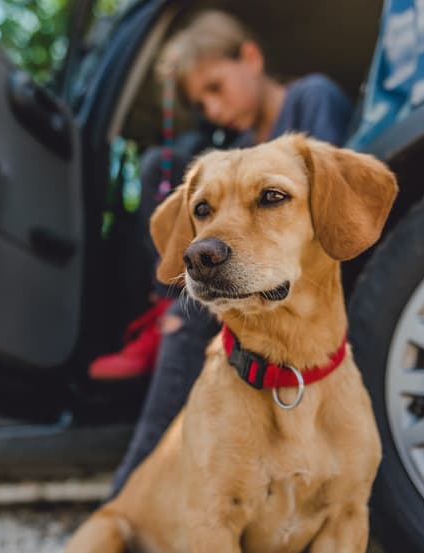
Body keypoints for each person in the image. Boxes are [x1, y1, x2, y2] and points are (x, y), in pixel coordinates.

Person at [96, 10, 354, 495]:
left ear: (250, 58)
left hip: (306, 286)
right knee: (162, 171)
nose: (212, 108)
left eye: (215, 87)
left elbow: (333, 211)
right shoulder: (234, 147)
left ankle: (125, 500)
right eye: (201, 101)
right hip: (244, 291)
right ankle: (164, 309)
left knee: (187, 324)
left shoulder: (310, 98)